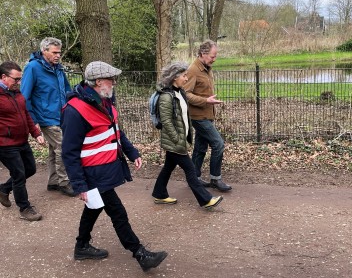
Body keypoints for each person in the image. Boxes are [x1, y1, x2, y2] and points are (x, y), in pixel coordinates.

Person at [61, 61, 167, 272]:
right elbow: (69, 152)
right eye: (111, 79)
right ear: (99, 82)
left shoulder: (105, 101)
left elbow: (116, 132)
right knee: (117, 212)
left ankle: (81, 246)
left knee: (94, 207)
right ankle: (140, 253)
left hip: (104, 169)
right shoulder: (75, 111)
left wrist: (132, 152)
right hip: (92, 173)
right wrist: (80, 185)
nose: (114, 83)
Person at [152, 62, 224, 209]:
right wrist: (178, 140)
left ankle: (159, 193)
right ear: (174, 78)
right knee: (191, 171)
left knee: (168, 168)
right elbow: (166, 122)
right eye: (183, 76)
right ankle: (206, 200)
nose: (186, 78)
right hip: (175, 142)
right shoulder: (166, 97)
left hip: (179, 140)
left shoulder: (180, 93)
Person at [21, 37, 74, 197]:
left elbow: (66, 89)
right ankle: (65, 182)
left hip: (61, 115)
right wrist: (33, 120)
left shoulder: (58, 68)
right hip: (45, 117)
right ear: (44, 51)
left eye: (59, 52)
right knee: (63, 147)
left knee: (54, 149)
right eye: (55, 52)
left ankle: (53, 182)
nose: (58, 55)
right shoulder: (33, 68)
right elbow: (25, 96)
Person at [184, 40, 232, 192]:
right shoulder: (193, 70)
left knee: (200, 147)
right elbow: (185, 94)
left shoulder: (206, 67)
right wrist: (206, 100)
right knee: (218, 144)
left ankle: (194, 178)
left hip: (207, 114)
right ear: (203, 54)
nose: (214, 59)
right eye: (212, 56)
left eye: (215, 56)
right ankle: (215, 179)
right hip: (198, 116)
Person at [0, 61, 45, 221]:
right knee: (19, 174)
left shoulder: (17, 93)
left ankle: (4, 188)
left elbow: (26, 114)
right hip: (5, 145)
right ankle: (25, 208)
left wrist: (36, 133)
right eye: (16, 79)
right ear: (4, 77)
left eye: (20, 79)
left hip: (22, 141)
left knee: (30, 169)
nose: (19, 82)